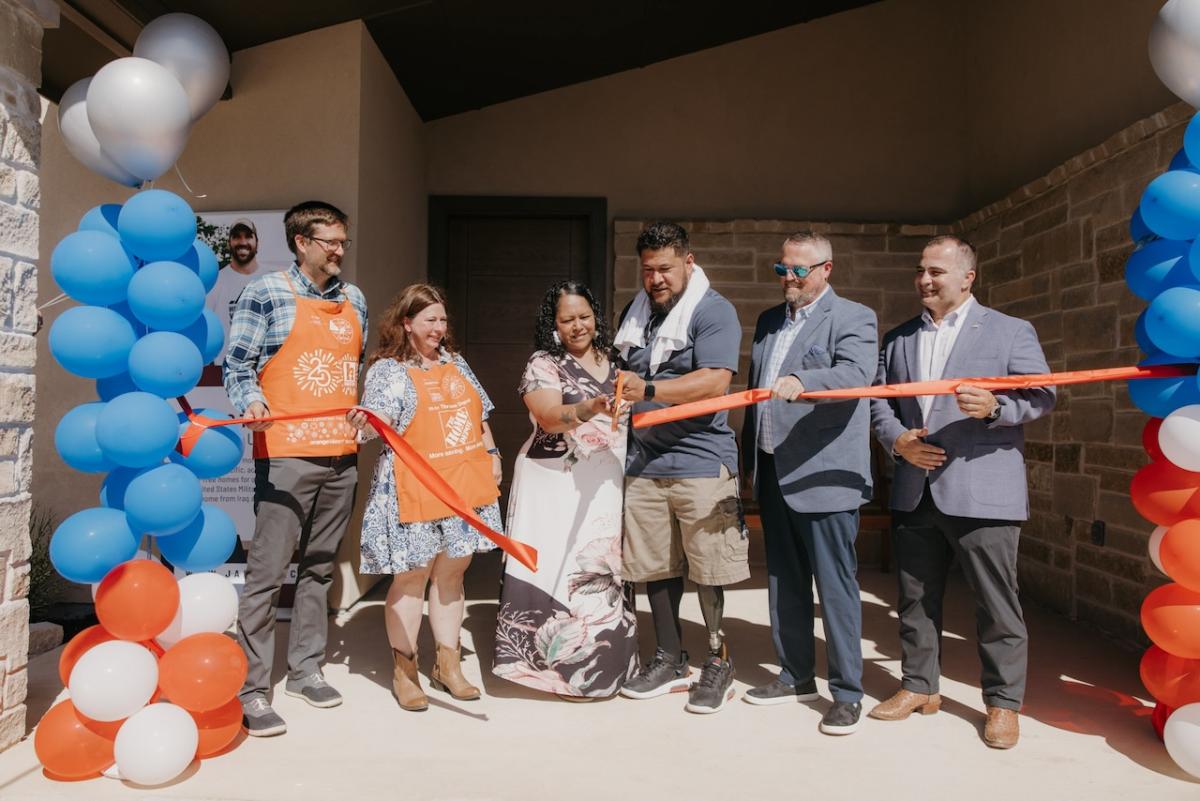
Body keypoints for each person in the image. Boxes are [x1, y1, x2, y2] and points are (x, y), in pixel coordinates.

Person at [868, 235, 1054, 749]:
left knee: (997, 604)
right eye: (921, 271)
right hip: (914, 487)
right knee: (914, 599)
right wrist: (897, 440)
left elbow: (1043, 394)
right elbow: (879, 401)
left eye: (936, 272)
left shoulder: (1011, 331)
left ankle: (1002, 704)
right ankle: (919, 687)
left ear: (968, 277)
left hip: (983, 489)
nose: (925, 280)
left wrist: (997, 408)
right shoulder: (899, 338)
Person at [224, 201, 367, 736]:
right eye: (330, 240)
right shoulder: (265, 292)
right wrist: (251, 402)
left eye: (343, 241)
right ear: (301, 242)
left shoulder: (354, 299)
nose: (339, 250)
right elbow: (239, 363)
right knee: (266, 575)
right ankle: (253, 690)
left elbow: (352, 367)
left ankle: (306, 669)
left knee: (321, 567)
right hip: (285, 453)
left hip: (341, 455)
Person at [740, 231, 877, 735]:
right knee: (784, 579)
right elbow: (758, 396)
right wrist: (750, 463)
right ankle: (795, 675)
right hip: (774, 469)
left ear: (826, 269)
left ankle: (846, 692)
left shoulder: (853, 317)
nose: (789, 280)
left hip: (824, 473)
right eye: (783, 270)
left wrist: (807, 383)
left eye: (799, 270)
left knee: (835, 585)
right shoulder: (769, 322)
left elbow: (858, 374)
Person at [613, 221, 747, 714]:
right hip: (643, 461)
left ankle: (719, 660)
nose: (656, 279)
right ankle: (669, 656)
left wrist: (647, 389)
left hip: (699, 461)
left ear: (688, 262)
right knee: (656, 567)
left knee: (710, 568)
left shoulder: (715, 311)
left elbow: (714, 382)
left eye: (665, 268)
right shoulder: (637, 312)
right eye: (647, 270)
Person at [349, 284, 502, 713]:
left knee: (452, 575)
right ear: (406, 323)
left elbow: (480, 414)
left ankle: (448, 666)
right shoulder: (386, 370)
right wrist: (360, 424)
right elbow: (372, 426)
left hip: (462, 483)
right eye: (429, 320)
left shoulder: (457, 363)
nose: (439, 328)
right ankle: (405, 669)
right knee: (412, 577)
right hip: (412, 486)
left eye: (442, 320)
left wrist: (492, 454)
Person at [492, 281, 638, 700]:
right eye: (567, 319)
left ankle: (606, 667)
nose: (577, 326)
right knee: (551, 568)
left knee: (599, 568)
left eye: (584, 316)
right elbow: (550, 416)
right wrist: (589, 407)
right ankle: (542, 666)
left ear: (596, 317)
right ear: (553, 324)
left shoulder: (616, 360)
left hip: (604, 479)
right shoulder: (544, 362)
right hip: (551, 479)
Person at [207, 218, 263, 365]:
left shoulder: (271, 280)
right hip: (227, 372)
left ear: (257, 243)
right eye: (237, 236)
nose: (242, 242)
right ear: (229, 243)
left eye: (248, 236)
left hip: (266, 371)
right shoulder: (215, 281)